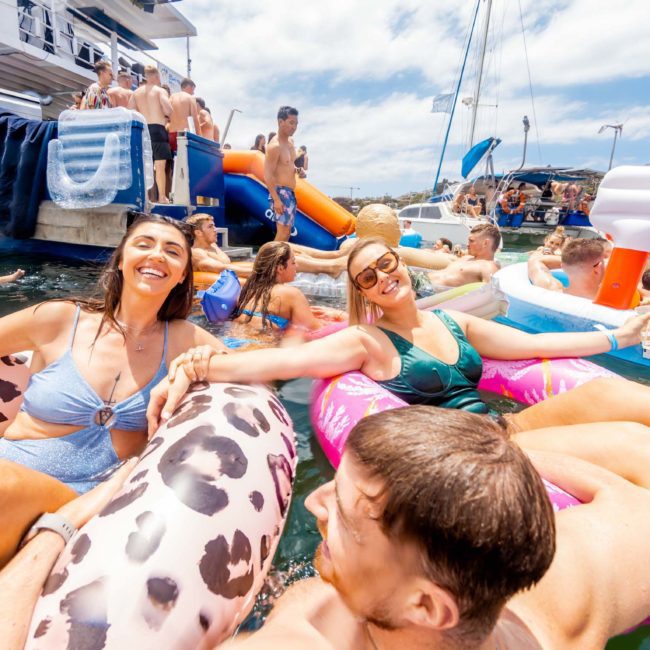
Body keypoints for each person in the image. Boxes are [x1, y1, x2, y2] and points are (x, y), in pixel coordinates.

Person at [149, 236, 650, 485]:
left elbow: (539, 348)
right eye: (367, 277)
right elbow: (284, 365)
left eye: (385, 264)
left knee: (609, 397)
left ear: (400, 262)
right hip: (471, 456)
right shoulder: (368, 341)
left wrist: (615, 336)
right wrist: (197, 365)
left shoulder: (457, 324)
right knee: (631, 447)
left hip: (509, 430)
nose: (382, 277)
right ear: (362, 292)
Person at [216, 406, 650, 649]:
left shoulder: (312, 620)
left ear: (425, 606)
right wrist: (477, 461)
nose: (313, 501)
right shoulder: (584, 571)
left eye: (344, 517)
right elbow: (627, 501)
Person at [0, 214, 225, 567]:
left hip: (90, 495)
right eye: (144, 244)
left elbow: (254, 376)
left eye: (172, 251)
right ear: (121, 260)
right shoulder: (58, 319)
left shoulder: (185, 340)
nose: (156, 255)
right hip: (14, 466)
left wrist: (198, 363)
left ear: (183, 274)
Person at [233, 242, 341, 333]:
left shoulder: (248, 290)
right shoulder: (292, 294)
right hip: (259, 348)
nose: (297, 266)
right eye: (293, 262)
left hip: (233, 340)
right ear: (280, 268)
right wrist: (338, 315)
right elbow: (316, 331)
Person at [128, 65, 173, 204]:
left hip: (143, 130)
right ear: (156, 76)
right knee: (159, 167)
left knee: (144, 165)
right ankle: (161, 197)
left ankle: (145, 197)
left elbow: (130, 111)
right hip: (158, 130)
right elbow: (168, 110)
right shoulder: (160, 91)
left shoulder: (136, 93)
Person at [425, 223, 500, 288]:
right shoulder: (467, 258)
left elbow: (491, 294)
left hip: (427, 290)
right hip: (422, 281)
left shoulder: (488, 267)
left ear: (485, 243)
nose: (467, 244)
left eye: (471, 241)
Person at [528, 238, 606, 300]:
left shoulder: (551, 290)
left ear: (563, 267)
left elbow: (536, 260)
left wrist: (571, 262)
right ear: (598, 268)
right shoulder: (609, 303)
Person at [265, 106, 299, 242]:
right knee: (282, 233)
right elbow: (268, 174)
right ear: (280, 122)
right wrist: (276, 199)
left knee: (286, 233)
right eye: (291, 123)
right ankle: (269, 262)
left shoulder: (290, 143)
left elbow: (289, 164)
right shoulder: (274, 147)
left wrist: (297, 169)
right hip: (280, 193)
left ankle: (278, 262)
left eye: (296, 123)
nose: (294, 127)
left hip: (290, 193)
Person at [168, 78, 201, 153]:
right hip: (183, 135)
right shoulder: (190, 98)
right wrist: (200, 139)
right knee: (185, 162)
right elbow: (195, 120)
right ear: (190, 87)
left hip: (171, 134)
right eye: (193, 90)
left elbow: (167, 115)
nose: (193, 93)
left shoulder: (172, 97)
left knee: (173, 162)